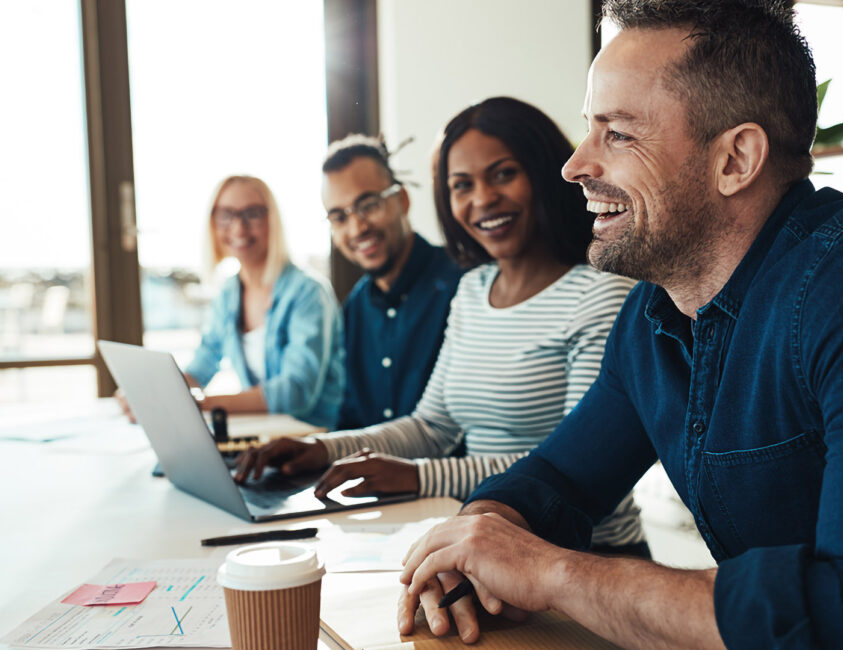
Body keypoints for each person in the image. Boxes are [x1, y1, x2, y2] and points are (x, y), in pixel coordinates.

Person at [396, 2, 843, 648]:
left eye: (617, 134)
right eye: (591, 129)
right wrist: (476, 542)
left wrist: (550, 573)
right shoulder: (656, 313)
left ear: (735, 160)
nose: (575, 164)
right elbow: (557, 479)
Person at [234, 97, 646, 581]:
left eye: (503, 174)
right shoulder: (473, 289)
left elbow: (573, 462)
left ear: (542, 173)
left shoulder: (600, 292)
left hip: (587, 561)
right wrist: (324, 449)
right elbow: (433, 426)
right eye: (461, 185)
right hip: (489, 542)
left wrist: (416, 476)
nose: (482, 199)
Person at [157, 175, 344, 428]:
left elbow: (296, 392)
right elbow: (204, 361)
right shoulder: (229, 293)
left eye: (252, 214)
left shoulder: (309, 292)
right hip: (263, 436)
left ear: (273, 220)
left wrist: (201, 405)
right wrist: (159, 395)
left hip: (312, 440)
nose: (238, 228)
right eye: (226, 214)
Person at [321, 134, 463, 430]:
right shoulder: (353, 309)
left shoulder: (463, 286)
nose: (357, 227)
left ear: (402, 200)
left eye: (369, 205)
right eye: (339, 217)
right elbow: (350, 420)